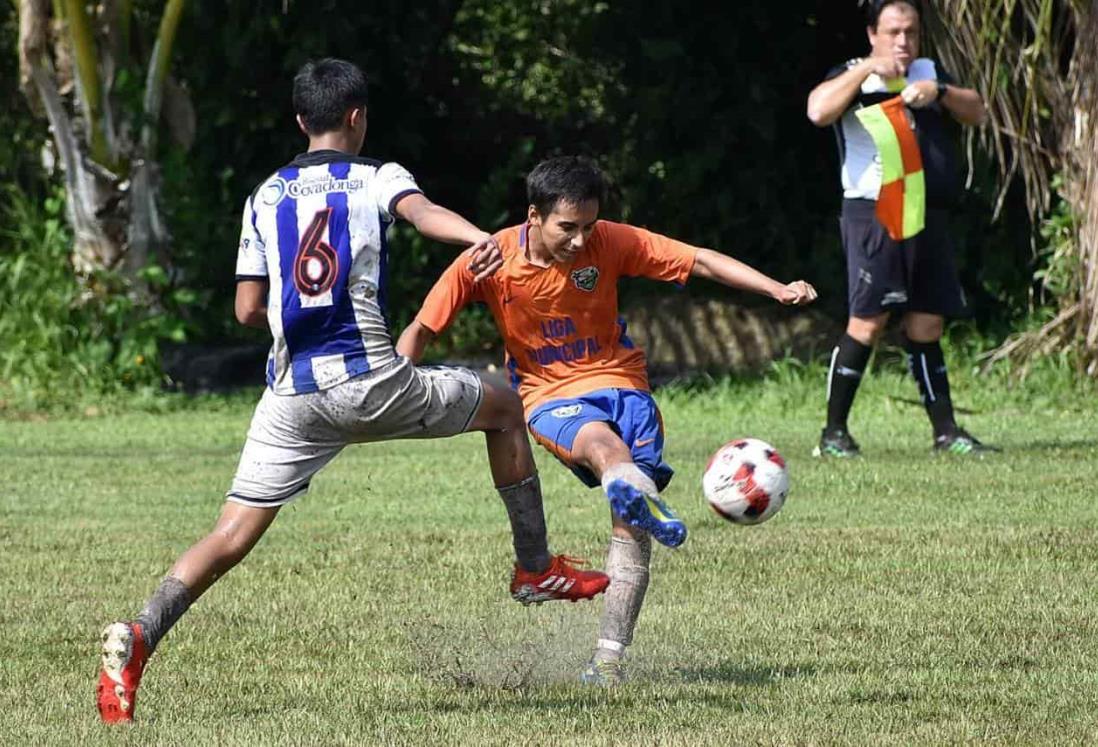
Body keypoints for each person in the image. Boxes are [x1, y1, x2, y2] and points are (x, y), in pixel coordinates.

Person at [95, 59, 610, 724]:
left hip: (291, 398)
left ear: (301, 120)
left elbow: (249, 308)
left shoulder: (265, 196)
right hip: (369, 379)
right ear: (358, 116)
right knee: (506, 405)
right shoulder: (378, 176)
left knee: (228, 534)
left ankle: (140, 634)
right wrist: (482, 238)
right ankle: (535, 566)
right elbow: (422, 215)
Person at [396, 156, 817, 686]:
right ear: (533, 215)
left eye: (588, 227)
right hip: (550, 395)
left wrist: (775, 288)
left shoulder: (610, 241)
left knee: (630, 526)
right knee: (602, 447)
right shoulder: (489, 259)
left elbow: (700, 261)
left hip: (626, 387)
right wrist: (394, 391)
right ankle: (629, 485)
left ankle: (608, 661)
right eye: (567, 228)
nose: (579, 240)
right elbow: (422, 327)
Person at [806, 0, 992, 457]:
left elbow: (978, 111)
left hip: (926, 213)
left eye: (910, 32)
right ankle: (834, 434)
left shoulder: (929, 72)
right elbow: (818, 111)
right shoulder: (853, 72)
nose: (903, 42)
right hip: (873, 212)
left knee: (927, 321)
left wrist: (940, 92)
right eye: (893, 32)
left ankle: (946, 433)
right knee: (868, 322)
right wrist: (870, 67)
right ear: (872, 34)